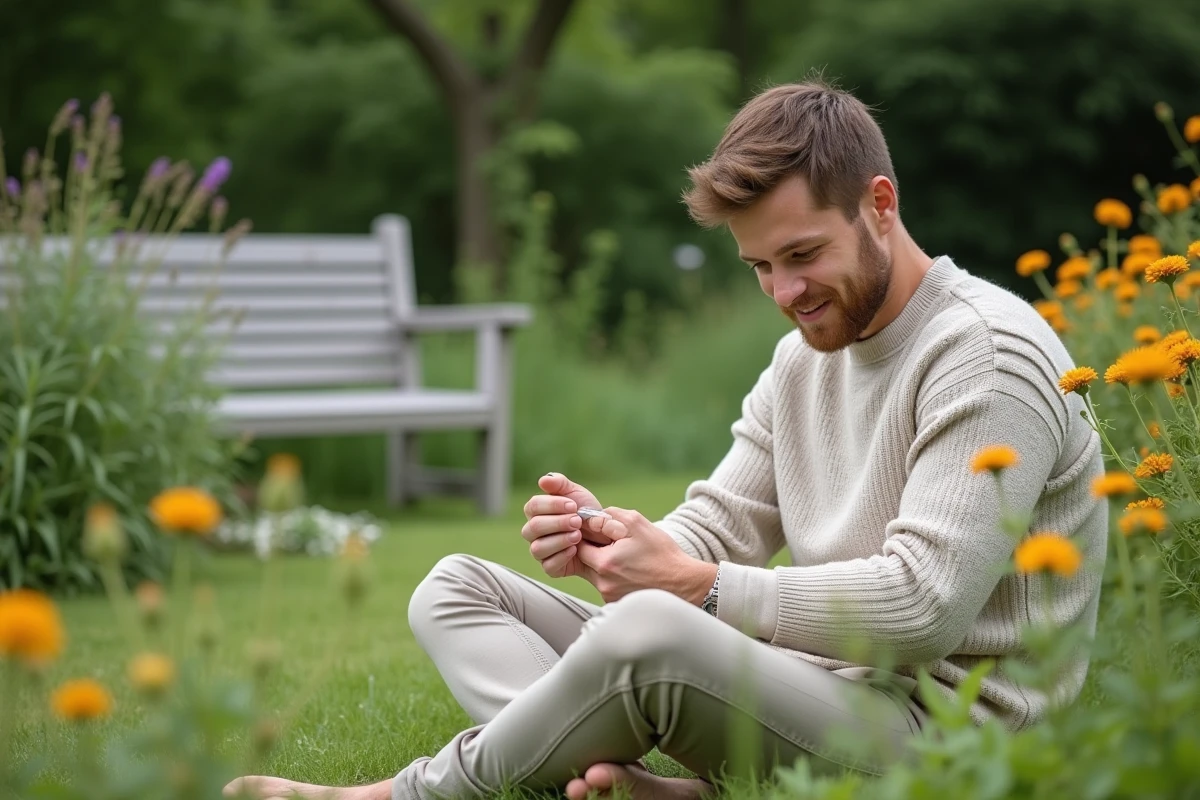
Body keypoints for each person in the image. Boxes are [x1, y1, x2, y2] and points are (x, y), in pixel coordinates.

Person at [226, 77, 1107, 800]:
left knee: (647, 633)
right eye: (760, 266)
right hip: (813, 687)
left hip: (952, 743)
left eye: (802, 255)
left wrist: (695, 587)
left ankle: (401, 796)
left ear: (880, 205)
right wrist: (619, 543)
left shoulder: (985, 353)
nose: (784, 291)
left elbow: (925, 606)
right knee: (453, 589)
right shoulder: (804, 359)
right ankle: (629, 782)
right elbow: (716, 528)